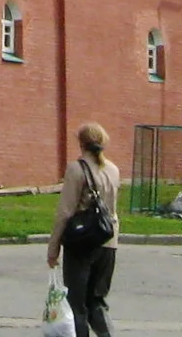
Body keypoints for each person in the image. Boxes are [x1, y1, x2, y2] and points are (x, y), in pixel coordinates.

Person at [46, 121, 120, 337]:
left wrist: (53, 249)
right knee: (97, 301)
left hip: (82, 243)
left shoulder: (76, 169)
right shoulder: (113, 170)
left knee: (77, 304)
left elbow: (65, 212)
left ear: (81, 143)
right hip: (108, 241)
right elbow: (112, 210)